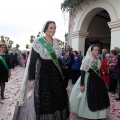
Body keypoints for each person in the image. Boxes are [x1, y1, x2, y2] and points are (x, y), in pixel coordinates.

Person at [13, 21, 69, 120]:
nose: (53, 30)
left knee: (57, 98)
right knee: (45, 99)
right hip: (43, 74)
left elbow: (58, 60)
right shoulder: (38, 42)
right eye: (51, 28)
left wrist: (62, 74)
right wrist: (31, 79)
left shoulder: (56, 43)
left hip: (56, 75)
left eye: (54, 28)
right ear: (45, 29)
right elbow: (32, 63)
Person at [70, 45, 110, 120]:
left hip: (97, 81)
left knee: (99, 96)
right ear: (91, 51)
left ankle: (99, 113)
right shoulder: (87, 59)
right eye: (95, 50)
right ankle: (87, 113)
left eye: (98, 50)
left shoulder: (98, 60)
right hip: (88, 79)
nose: (97, 52)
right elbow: (83, 72)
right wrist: (82, 84)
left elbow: (98, 71)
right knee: (88, 96)